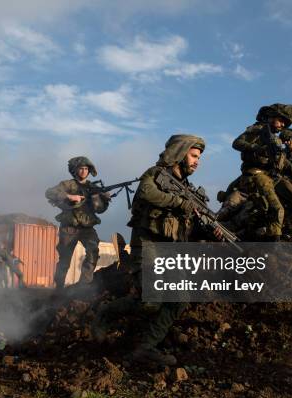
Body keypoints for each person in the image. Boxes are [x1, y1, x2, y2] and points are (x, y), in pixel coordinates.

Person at [91, 134, 222, 366]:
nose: (197, 161)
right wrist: (180, 203)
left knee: (179, 299)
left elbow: (188, 229)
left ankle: (145, 349)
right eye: (193, 155)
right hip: (148, 246)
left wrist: (211, 232)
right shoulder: (156, 175)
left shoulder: (188, 189)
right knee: (150, 301)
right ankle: (105, 313)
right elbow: (146, 193)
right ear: (180, 153)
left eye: (199, 157)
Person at [231, 103, 292, 241]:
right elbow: (236, 143)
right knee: (276, 209)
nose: (282, 125)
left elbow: (286, 165)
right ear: (270, 117)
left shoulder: (276, 140)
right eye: (281, 120)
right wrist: (257, 148)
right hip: (256, 174)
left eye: (285, 123)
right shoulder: (258, 129)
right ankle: (274, 247)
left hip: (273, 176)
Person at [45, 157, 110, 289]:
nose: (84, 171)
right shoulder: (68, 185)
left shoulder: (93, 188)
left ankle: (83, 286)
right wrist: (69, 196)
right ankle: (58, 289)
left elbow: (100, 210)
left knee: (93, 252)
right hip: (70, 228)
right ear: (75, 170)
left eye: (86, 169)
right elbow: (49, 192)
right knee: (64, 260)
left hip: (87, 227)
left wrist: (104, 199)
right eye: (81, 168)